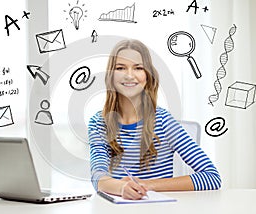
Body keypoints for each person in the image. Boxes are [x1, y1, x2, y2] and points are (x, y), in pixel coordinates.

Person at [88, 39, 221, 200]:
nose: (129, 75)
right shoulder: (99, 123)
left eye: (138, 68)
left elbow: (212, 177)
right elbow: (98, 178)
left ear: (147, 76)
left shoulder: (163, 121)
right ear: (111, 76)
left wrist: (147, 184)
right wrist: (122, 186)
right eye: (120, 68)